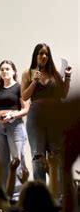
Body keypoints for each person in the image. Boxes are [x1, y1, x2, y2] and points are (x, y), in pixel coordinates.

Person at [21, 43, 72, 183]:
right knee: (38, 155)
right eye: (40, 53)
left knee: (56, 155)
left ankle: (59, 195)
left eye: (46, 54)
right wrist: (34, 82)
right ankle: (41, 193)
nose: (44, 56)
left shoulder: (54, 74)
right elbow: (24, 96)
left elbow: (63, 94)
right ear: (35, 56)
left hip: (54, 117)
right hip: (36, 117)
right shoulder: (28, 73)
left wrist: (67, 77)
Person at [0, 60, 29, 199]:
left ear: (13, 71)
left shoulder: (19, 88)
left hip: (15, 125)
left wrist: (12, 114)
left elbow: (25, 109)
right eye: (2, 69)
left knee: (17, 160)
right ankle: (5, 194)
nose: (4, 71)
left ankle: (18, 196)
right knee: (1, 161)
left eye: (7, 69)